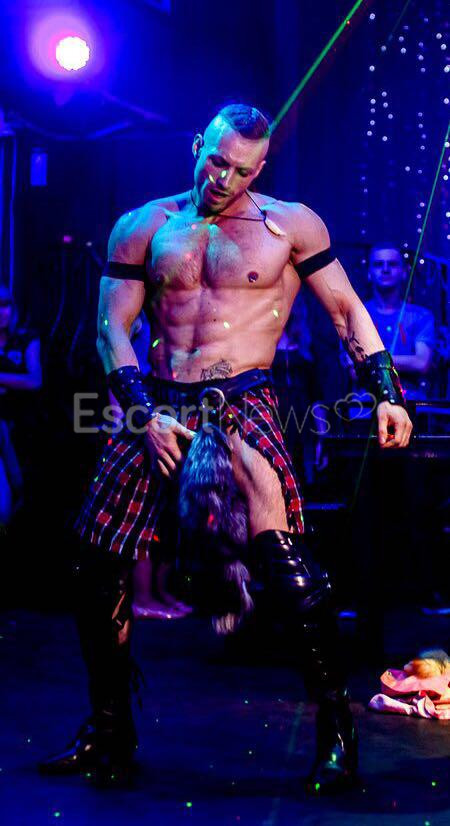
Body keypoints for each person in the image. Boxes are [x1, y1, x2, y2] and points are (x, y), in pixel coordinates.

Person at [39, 104, 412, 792]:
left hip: (242, 396)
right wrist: (144, 414)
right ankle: (109, 733)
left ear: (259, 167)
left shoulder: (290, 225)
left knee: (287, 565)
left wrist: (387, 391)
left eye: (242, 170)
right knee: (95, 564)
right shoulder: (144, 225)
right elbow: (109, 329)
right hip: (154, 400)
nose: (225, 179)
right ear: (197, 146)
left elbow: (345, 311)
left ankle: (337, 731)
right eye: (216, 161)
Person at [349, 246, 436, 401]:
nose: (385, 269)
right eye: (378, 264)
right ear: (369, 272)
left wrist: (373, 362)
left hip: (410, 402)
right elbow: (355, 371)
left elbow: (422, 363)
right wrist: (405, 361)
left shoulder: (421, 316)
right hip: (366, 404)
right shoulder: (355, 314)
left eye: (392, 264)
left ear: (404, 272)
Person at [0, 285, 41, 521]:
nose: (1, 312)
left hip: (23, 422)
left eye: (5, 305)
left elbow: (34, 380)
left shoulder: (26, 338)